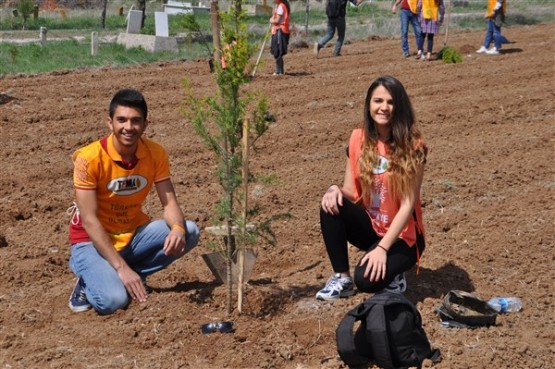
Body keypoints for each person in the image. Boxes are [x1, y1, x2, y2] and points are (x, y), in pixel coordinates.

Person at [67, 89, 200, 314]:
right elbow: (89, 220)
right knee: (113, 301)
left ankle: (129, 273)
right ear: (110, 122)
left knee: (190, 231)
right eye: (122, 120)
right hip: (90, 241)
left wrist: (177, 228)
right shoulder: (88, 159)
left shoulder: (155, 153)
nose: (128, 127)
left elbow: (169, 204)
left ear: (146, 124)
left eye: (136, 121)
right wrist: (121, 268)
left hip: (130, 235)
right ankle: (89, 280)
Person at [316, 76, 427, 300]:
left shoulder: (414, 146)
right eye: (378, 101)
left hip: (403, 237)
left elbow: (407, 206)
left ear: (400, 107)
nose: (383, 107)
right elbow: (350, 191)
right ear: (369, 104)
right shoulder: (358, 138)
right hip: (373, 227)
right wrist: (333, 189)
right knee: (330, 204)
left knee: (366, 281)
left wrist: (383, 249)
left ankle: (395, 273)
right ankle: (342, 278)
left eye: (390, 102)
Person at [270, 0, 290, 75]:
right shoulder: (279, 6)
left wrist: (271, 20)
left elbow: (277, 20)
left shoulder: (281, 6)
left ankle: (279, 71)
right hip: (279, 31)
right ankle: (279, 70)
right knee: (277, 51)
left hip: (280, 31)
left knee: (278, 51)